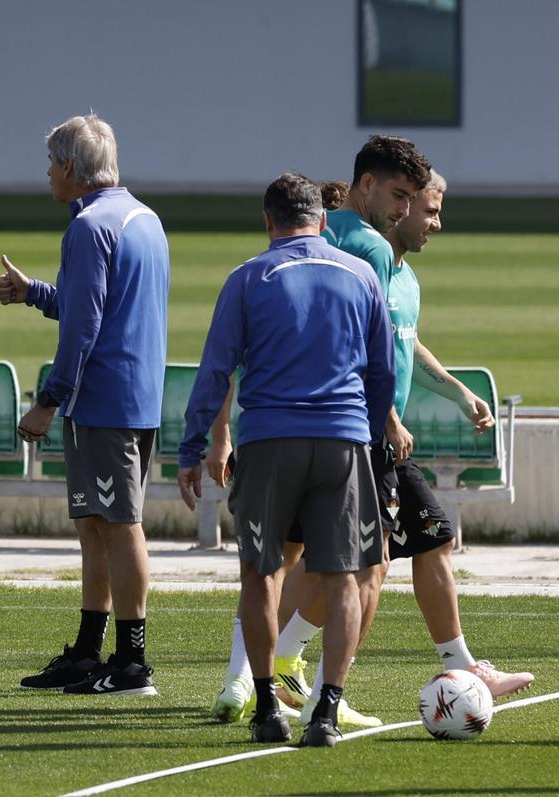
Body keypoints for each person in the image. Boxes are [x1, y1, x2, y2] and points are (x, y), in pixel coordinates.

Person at [272, 169, 534, 704]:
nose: (436, 222)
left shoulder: (404, 277)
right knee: (349, 563)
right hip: (359, 432)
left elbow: (403, 342)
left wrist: (458, 392)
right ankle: (283, 665)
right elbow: (352, 345)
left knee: (430, 539)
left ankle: (457, 665)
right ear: (402, 204)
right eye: (428, 209)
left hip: (385, 439)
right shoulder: (365, 258)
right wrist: (389, 416)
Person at [178, 172, 395, 746]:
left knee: (262, 572)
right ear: (322, 220)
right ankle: (325, 712)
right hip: (343, 441)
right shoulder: (362, 274)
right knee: (343, 578)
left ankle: (267, 706)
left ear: (268, 222)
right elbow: (383, 374)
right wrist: (366, 438)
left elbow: (215, 370)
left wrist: (193, 447)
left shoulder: (249, 277)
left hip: (269, 441)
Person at [0, 114, 169, 696]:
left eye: (51, 163)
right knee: (96, 526)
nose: (48, 173)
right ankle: (90, 651)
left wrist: (49, 399)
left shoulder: (89, 226)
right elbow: (96, 305)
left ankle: (132, 662)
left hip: (102, 401)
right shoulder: (145, 219)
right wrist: (34, 294)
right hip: (134, 397)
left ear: (70, 166)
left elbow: (84, 326)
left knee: (117, 526)